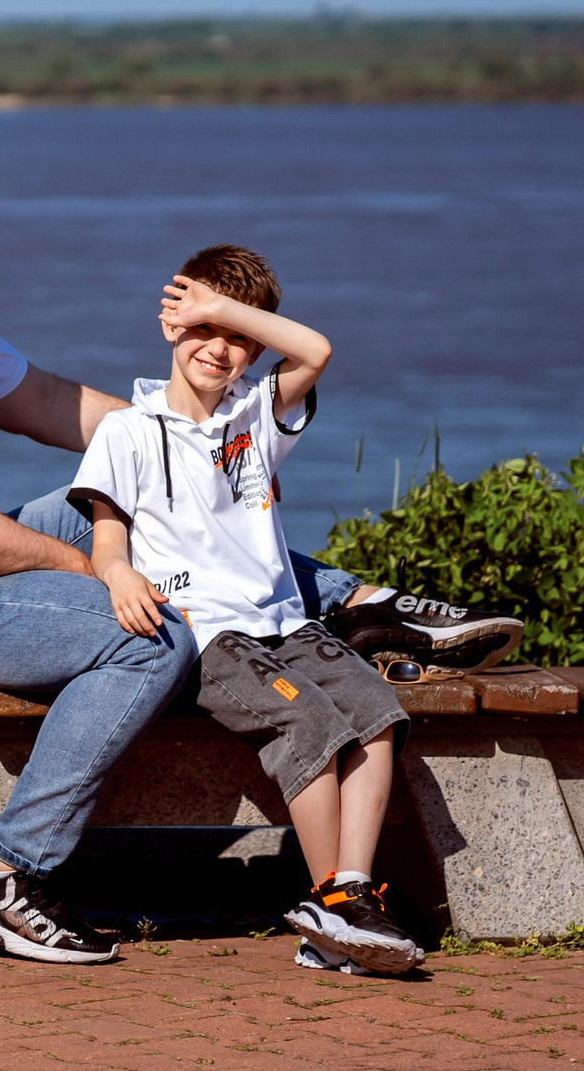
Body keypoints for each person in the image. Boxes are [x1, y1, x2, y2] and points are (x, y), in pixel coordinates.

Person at [0, 118, 520, 965]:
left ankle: (360, 605)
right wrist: (99, 567)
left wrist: (179, 445)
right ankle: (2, 879)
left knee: (161, 511)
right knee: (152, 633)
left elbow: (44, 400)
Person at [76, 245, 423, 976]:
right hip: (205, 637)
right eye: (202, 328)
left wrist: (223, 312)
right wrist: (117, 578)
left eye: (236, 338)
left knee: (375, 709)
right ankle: (330, 908)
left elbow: (317, 350)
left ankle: (351, 898)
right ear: (171, 326)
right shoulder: (127, 431)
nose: (218, 347)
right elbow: (107, 537)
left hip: (285, 625)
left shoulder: (255, 417)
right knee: (312, 723)